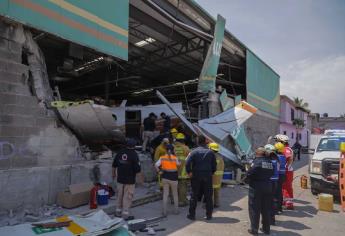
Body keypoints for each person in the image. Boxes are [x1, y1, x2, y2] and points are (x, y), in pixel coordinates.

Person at [186, 136, 217, 221]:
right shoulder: (211, 153)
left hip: (196, 176)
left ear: (198, 142)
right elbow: (214, 166)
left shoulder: (194, 152)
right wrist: (211, 173)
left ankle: (191, 215)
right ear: (205, 142)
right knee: (208, 196)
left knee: (194, 195)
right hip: (207, 176)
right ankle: (209, 215)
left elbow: (187, 163)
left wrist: (189, 172)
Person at [247, 147, 274, 235]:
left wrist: (247, 170)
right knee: (266, 208)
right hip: (268, 186)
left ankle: (254, 229)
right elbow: (272, 173)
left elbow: (250, 174)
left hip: (256, 187)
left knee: (254, 208)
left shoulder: (256, 162)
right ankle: (266, 229)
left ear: (258, 154)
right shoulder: (270, 162)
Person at [112, 139, 141, 220]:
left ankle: (118, 212)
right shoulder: (134, 154)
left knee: (119, 195)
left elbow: (114, 165)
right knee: (127, 197)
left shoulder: (120, 152)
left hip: (120, 179)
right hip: (130, 180)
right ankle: (125, 214)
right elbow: (137, 169)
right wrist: (140, 180)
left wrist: (113, 174)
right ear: (134, 146)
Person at [155, 144, 180, 216]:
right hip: (174, 178)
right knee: (175, 194)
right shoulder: (175, 158)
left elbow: (156, 165)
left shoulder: (162, 158)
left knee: (165, 194)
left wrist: (159, 171)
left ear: (166, 150)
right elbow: (178, 165)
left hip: (165, 177)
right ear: (173, 150)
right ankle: (176, 211)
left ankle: (164, 212)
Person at [275, 134, 294, 210]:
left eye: (277, 141)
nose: (276, 142)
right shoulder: (286, 148)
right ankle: (284, 201)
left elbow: (289, 158)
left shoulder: (286, 149)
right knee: (283, 186)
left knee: (287, 186)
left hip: (287, 171)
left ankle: (289, 203)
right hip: (286, 170)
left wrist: (286, 166)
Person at [173, 133, 190, 207]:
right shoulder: (185, 148)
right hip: (183, 171)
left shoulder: (174, 148)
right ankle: (182, 201)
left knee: (176, 186)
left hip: (174, 170)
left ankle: (176, 200)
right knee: (183, 186)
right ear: (183, 140)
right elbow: (190, 159)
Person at [264, 144, 279, 225]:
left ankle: (269, 219)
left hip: (269, 182)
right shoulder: (276, 160)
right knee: (272, 200)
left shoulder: (268, 161)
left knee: (267, 201)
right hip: (275, 182)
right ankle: (272, 218)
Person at [209, 142, 224, 208]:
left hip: (212, 177)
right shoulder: (220, 158)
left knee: (210, 192)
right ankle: (216, 203)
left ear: (211, 149)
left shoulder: (210, 157)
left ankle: (210, 204)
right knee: (217, 191)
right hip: (219, 178)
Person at [274, 142, 287, 213]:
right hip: (282, 175)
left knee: (276, 192)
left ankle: (276, 209)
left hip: (278, 176)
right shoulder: (283, 156)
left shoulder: (277, 157)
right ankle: (280, 208)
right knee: (279, 191)